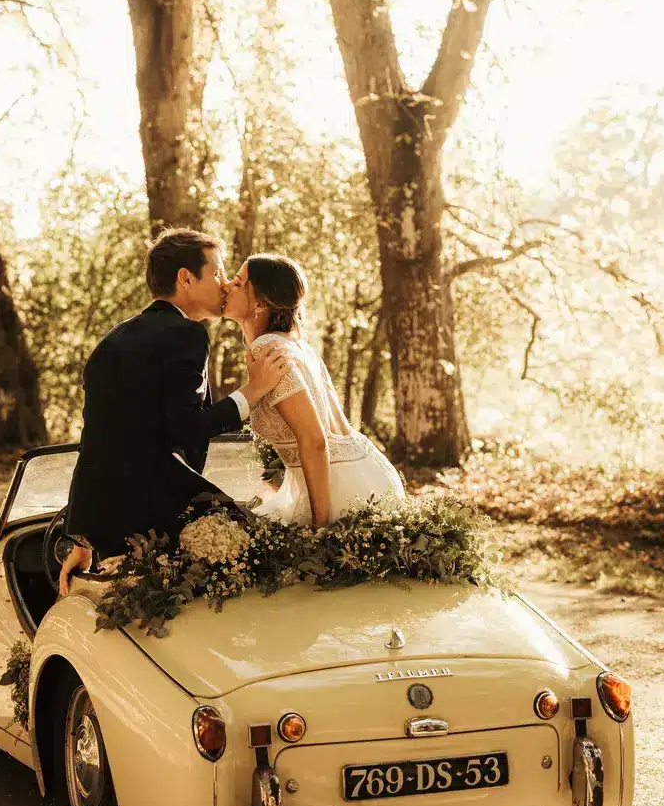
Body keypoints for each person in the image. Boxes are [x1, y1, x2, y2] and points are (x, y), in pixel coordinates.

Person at [58, 229, 289, 594]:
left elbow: (96, 443)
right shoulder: (186, 334)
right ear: (186, 278)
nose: (225, 283)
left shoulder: (112, 340)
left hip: (114, 529)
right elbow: (186, 428)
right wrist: (253, 391)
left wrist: (82, 538)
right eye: (216, 273)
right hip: (162, 522)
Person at [222, 253, 405, 528]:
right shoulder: (298, 346)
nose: (226, 286)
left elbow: (315, 440)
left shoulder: (267, 349)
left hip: (344, 490)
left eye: (237, 283)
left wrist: (320, 526)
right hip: (369, 471)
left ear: (260, 301)